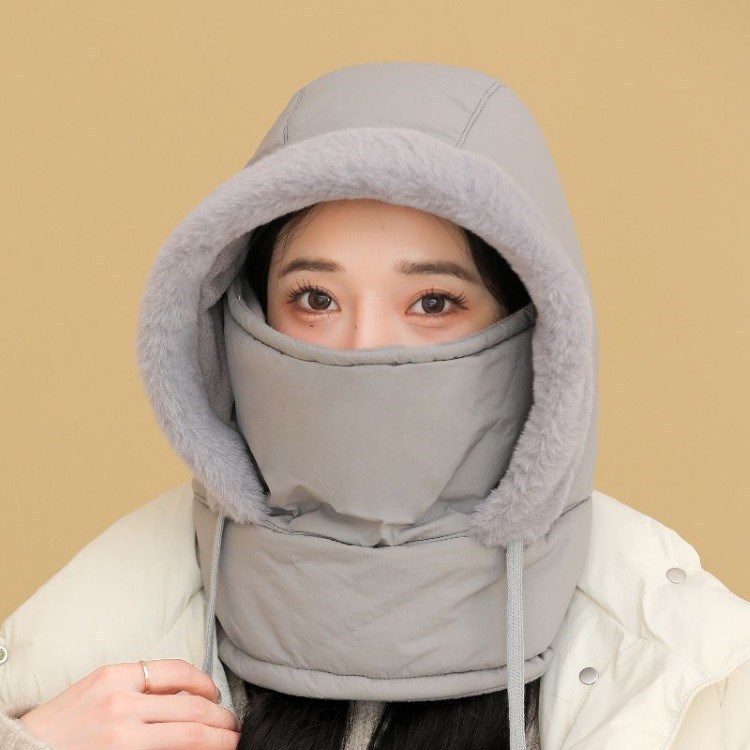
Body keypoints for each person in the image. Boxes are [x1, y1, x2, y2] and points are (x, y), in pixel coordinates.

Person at [1, 61, 749, 750]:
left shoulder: (681, 669)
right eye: (315, 298)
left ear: (536, 334)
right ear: (242, 320)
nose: (364, 351)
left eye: (433, 302)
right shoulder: (103, 623)